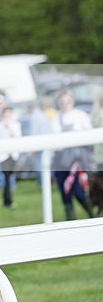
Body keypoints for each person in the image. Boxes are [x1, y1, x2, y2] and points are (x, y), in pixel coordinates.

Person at [51, 91, 95, 220]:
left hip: (77, 159)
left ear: (73, 102)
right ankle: (70, 219)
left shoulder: (81, 116)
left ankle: (92, 215)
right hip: (61, 160)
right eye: (62, 102)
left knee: (78, 189)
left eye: (68, 102)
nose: (65, 105)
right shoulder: (55, 119)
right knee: (65, 192)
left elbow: (89, 135)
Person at [0, 107, 22, 208]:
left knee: (9, 177)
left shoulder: (15, 125)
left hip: (13, 154)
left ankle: (7, 200)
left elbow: (18, 137)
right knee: (7, 177)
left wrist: (9, 128)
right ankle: (8, 200)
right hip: (3, 156)